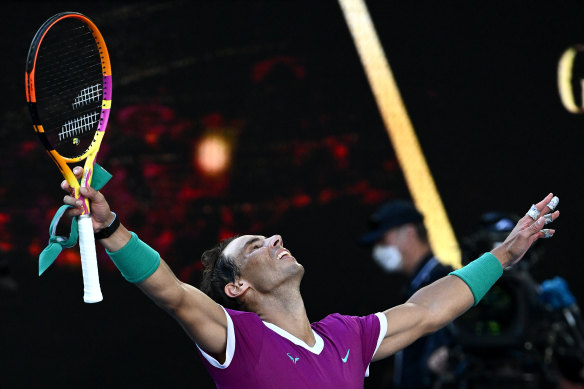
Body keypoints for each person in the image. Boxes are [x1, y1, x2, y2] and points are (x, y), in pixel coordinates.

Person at [61, 166, 559, 389]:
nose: (274, 240)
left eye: (269, 237)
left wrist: (506, 253)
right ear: (239, 288)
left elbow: (428, 310)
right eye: (254, 246)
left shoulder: (348, 335)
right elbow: (170, 291)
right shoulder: (236, 338)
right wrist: (109, 228)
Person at [359, 200, 454, 388]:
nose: (378, 250)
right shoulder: (416, 284)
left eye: (383, 239)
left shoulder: (442, 281)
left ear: (409, 233)